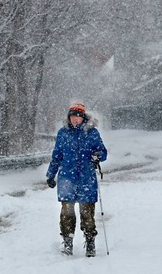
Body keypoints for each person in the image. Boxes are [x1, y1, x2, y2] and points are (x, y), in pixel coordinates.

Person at [46, 101, 107, 257]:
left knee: (87, 213)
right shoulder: (63, 133)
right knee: (67, 212)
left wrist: (97, 156)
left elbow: (102, 152)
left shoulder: (92, 133)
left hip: (87, 178)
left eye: (78, 116)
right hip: (67, 178)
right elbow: (57, 156)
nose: (75, 119)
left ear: (83, 117)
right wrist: (51, 174)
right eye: (72, 116)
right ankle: (68, 242)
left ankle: (90, 242)